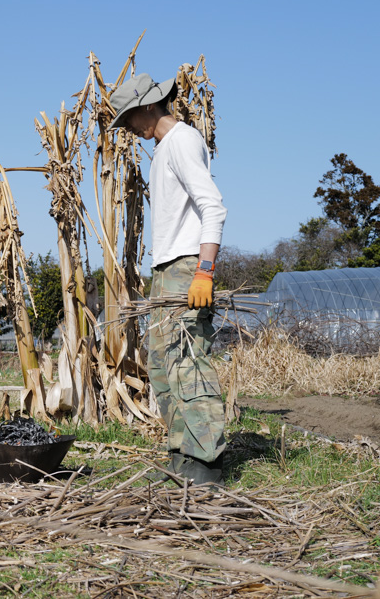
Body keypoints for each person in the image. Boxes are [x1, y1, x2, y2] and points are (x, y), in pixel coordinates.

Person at [108, 73, 227, 485]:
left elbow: (213, 207)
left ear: (147, 107)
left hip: (186, 266)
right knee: (162, 364)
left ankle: (206, 463)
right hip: (165, 269)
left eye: (128, 119)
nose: (128, 129)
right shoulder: (163, 150)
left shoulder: (182, 141)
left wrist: (204, 272)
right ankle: (181, 457)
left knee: (189, 361)